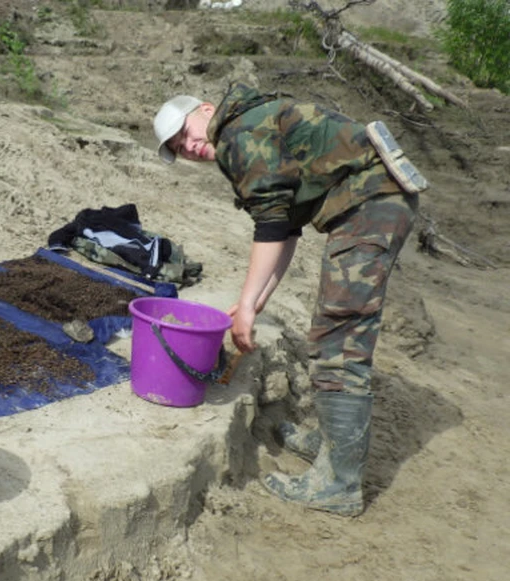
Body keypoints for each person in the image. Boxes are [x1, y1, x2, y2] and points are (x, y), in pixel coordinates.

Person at [153, 82, 422, 516]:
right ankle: (335, 446)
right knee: (334, 329)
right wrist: (254, 302)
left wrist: (244, 304)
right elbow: (289, 229)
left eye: (185, 132)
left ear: (205, 109)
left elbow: (272, 226)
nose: (190, 146)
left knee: (339, 339)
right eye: (180, 148)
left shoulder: (238, 136)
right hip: (373, 200)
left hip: (372, 202)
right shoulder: (248, 127)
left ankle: (339, 483)